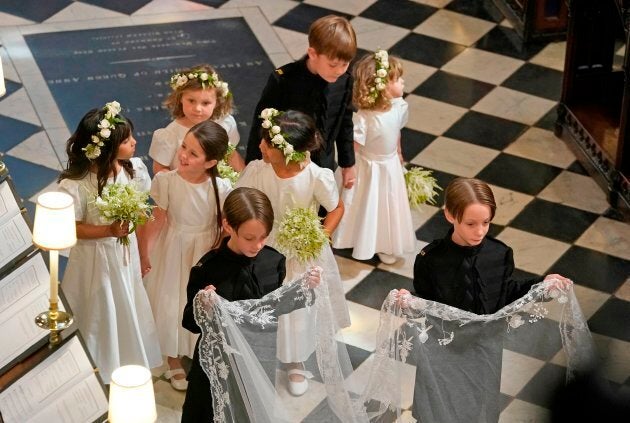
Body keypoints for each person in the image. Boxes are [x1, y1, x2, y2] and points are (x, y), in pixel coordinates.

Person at [181, 187, 321, 422]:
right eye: (249, 238)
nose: (257, 245)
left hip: (259, 356)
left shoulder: (274, 261)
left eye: (263, 237)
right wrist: (202, 306)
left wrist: (304, 290)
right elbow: (190, 322)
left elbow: (272, 309)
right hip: (219, 362)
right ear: (228, 226)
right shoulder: (208, 268)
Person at [237, 108, 350, 396]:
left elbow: (336, 208)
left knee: (296, 307)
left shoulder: (315, 177)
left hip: (300, 250)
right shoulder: (257, 171)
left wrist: (320, 236)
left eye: (267, 143)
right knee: (263, 298)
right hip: (264, 245)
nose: (260, 145)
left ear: (287, 151)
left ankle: (295, 360)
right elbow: (243, 201)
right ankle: (260, 351)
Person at [58, 101, 161, 384]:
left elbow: (140, 213)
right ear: (106, 149)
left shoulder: (133, 170)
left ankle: (126, 357)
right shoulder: (78, 184)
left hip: (123, 258)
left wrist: (143, 252)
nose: (135, 142)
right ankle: (95, 362)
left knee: (126, 302)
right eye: (127, 140)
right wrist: (108, 231)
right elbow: (72, 226)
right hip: (94, 260)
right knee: (99, 306)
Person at [140, 120, 232, 391]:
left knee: (199, 301)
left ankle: (197, 349)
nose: (183, 155)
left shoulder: (221, 187)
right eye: (184, 147)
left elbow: (223, 225)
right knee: (172, 299)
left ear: (210, 162)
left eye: (193, 153)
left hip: (203, 249)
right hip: (173, 247)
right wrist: (145, 254)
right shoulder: (166, 181)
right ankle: (172, 357)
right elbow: (157, 219)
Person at [411, 177, 572, 313]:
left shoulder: (500, 253)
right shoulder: (430, 259)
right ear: (450, 215)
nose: (480, 232)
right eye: (471, 224)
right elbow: (426, 304)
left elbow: (507, 294)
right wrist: (408, 303)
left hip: (489, 344)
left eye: (486, 222)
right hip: (447, 343)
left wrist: (543, 284)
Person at [245, 15, 357, 189]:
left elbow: (344, 123)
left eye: (345, 64)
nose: (340, 71)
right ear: (313, 53)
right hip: (285, 168)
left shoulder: (345, 80)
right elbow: (261, 127)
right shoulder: (284, 80)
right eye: (333, 64)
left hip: (324, 168)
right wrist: (252, 170)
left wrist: (347, 164)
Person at [333, 50, 415, 264]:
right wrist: (348, 169)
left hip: (389, 166)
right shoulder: (364, 118)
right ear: (383, 87)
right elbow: (354, 147)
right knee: (366, 204)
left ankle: (384, 242)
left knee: (387, 205)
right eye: (397, 79)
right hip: (367, 168)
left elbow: (396, 131)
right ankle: (357, 237)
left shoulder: (398, 107)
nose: (403, 82)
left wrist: (398, 152)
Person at [149, 64, 244, 175]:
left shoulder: (225, 123)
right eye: (191, 101)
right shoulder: (170, 134)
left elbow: (231, 155)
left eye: (205, 103)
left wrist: (245, 180)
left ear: (217, 102)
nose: (197, 109)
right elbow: (160, 169)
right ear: (181, 98)